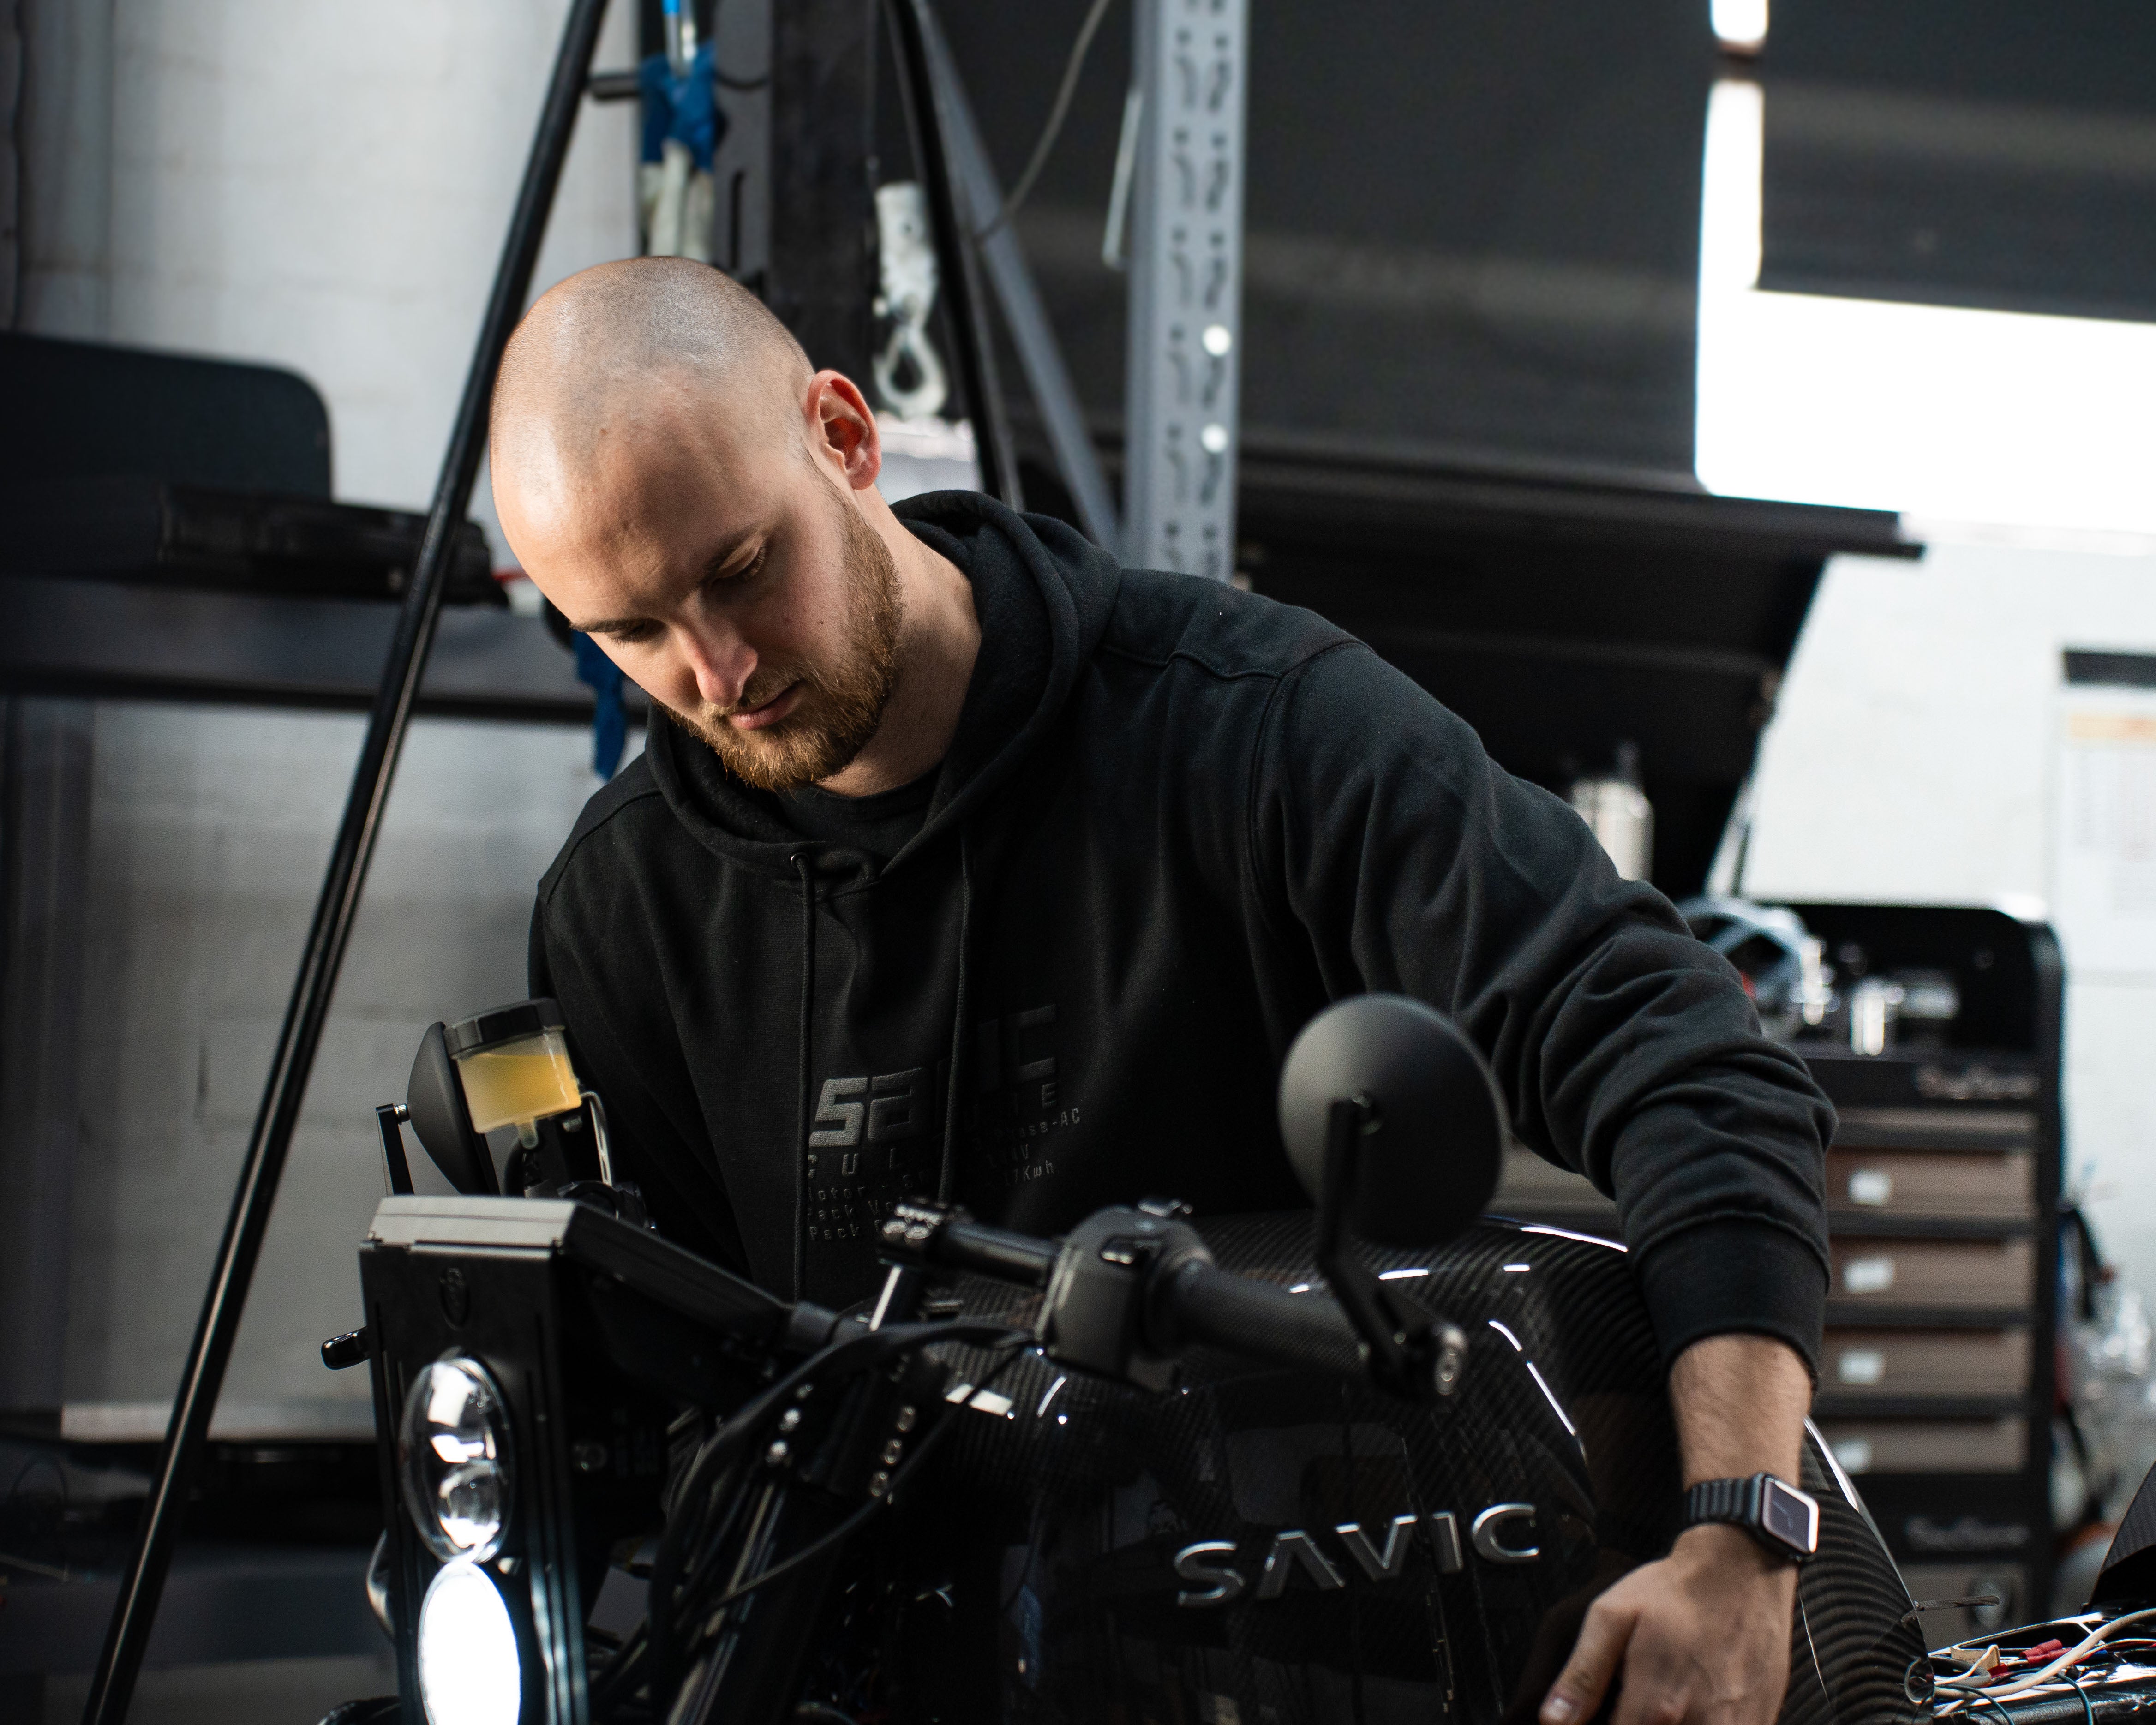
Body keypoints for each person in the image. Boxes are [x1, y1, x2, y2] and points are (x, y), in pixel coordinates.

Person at [490, 257, 1833, 1725]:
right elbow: (678, 1394)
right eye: (633, 634)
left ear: (844, 435)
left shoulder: (1254, 732)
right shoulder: (625, 913)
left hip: (1309, 1648)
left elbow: (1686, 1050)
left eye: (743, 568)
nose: (719, 668)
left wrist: (1741, 1532)